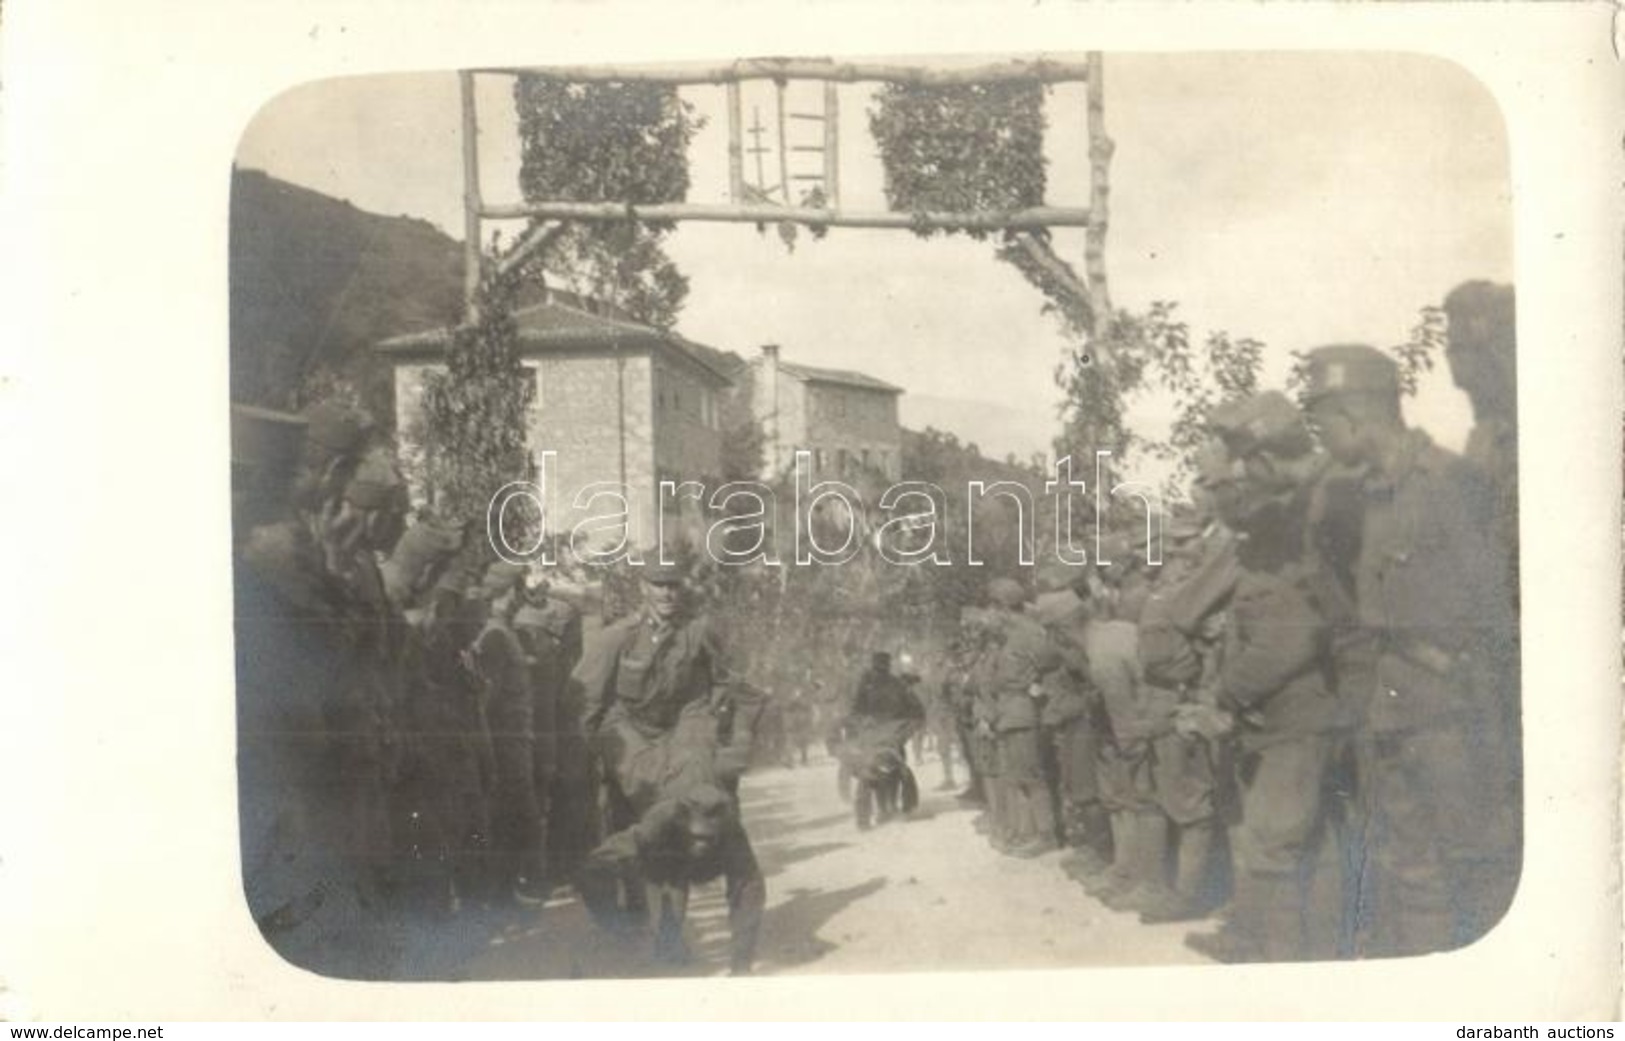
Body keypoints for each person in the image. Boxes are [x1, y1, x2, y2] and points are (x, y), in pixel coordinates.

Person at [1301, 343, 1519, 956]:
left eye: (1322, 422)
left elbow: (1496, 605)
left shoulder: (1452, 482)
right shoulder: (1367, 494)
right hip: (1395, 713)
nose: (1320, 438)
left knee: (1478, 864)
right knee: (1411, 871)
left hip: (1455, 717)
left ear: (1353, 413)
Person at [1182, 391, 1351, 961]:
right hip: (1291, 709)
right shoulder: (1284, 518)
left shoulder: (1301, 522)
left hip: (1298, 711)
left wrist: (1227, 695)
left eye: (1239, 469)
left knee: (1275, 843)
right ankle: (1297, 952)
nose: (1234, 483)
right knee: (1308, 840)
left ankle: (1280, 968)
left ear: (1262, 458)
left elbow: (1290, 635)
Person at [572, 562, 754, 825]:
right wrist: (585, 754)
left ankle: (722, 858)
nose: (667, 594)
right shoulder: (619, 636)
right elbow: (586, 696)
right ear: (644, 587)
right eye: (659, 585)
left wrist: (709, 724)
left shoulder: (696, 633)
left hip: (679, 727)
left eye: (673, 586)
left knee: (704, 784)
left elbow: (722, 681)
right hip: (631, 727)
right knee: (646, 790)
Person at [575, 780, 765, 974]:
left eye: (708, 838)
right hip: (664, 855)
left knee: (747, 885)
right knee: (594, 870)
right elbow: (609, 865)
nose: (702, 845)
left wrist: (741, 963)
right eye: (697, 837)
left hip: (703, 862)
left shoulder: (731, 830)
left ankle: (665, 938)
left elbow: (749, 892)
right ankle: (639, 930)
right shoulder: (659, 821)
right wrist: (616, 922)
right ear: (682, 820)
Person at [472, 560, 548, 905]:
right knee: (517, 817)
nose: (521, 598)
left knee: (516, 817)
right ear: (502, 595)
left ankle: (509, 892)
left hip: (517, 740)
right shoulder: (495, 636)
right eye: (516, 590)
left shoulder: (505, 632)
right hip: (505, 743)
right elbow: (487, 697)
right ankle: (510, 894)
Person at [981, 578, 1064, 858]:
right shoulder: (1007, 637)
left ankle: (1046, 835)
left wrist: (1038, 687)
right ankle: (1030, 832)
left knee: (1031, 775)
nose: (989, 614)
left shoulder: (1028, 633)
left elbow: (1052, 662)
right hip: (1009, 713)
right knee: (1018, 776)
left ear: (1003, 607)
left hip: (1022, 712)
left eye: (992, 607)